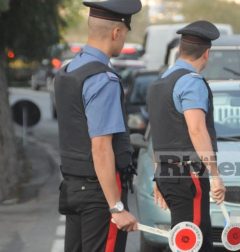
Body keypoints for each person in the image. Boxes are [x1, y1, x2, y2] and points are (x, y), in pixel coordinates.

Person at [54, 0, 142, 251]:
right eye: (124, 34)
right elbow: (101, 148)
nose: (123, 40)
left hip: (72, 186)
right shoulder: (102, 78)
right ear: (117, 32)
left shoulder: (68, 70)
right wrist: (117, 207)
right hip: (99, 195)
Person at [147, 21, 226, 252]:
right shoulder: (191, 82)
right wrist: (215, 175)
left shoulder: (159, 83)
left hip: (167, 172)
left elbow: (158, 133)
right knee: (193, 243)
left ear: (181, 50)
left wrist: (157, 175)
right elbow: (197, 130)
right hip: (188, 174)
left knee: (186, 240)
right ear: (207, 53)